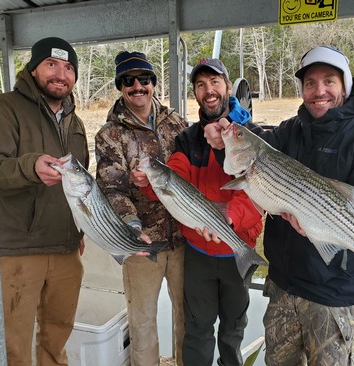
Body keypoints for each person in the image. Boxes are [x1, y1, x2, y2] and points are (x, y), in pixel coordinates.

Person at [204, 46, 354, 366]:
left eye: (329, 81)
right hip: (284, 287)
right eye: (310, 83)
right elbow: (259, 142)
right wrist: (226, 131)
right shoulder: (292, 129)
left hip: (336, 294)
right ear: (302, 89)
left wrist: (325, 217)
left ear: (344, 85)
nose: (319, 91)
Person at [133, 58, 263, 366]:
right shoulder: (188, 139)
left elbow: (260, 197)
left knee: (233, 329)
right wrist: (149, 182)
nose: (209, 91)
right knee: (198, 330)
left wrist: (231, 217)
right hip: (198, 257)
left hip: (238, 250)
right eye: (201, 85)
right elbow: (175, 181)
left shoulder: (252, 136)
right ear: (195, 93)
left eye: (215, 82)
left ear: (228, 87)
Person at [0, 37, 89, 365]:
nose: (61, 74)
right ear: (33, 70)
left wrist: (81, 230)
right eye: (51, 64)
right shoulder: (1, 108)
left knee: (57, 337)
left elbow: (82, 183)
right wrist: (29, 167)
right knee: (13, 344)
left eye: (69, 67)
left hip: (66, 249)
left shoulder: (76, 122)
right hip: (17, 250)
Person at [95, 51, 187, 366]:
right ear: (121, 86)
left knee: (189, 319)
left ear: (153, 83)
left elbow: (192, 174)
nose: (138, 86)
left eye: (144, 79)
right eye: (129, 80)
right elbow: (111, 188)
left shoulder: (176, 122)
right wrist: (131, 227)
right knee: (143, 322)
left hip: (184, 241)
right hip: (141, 244)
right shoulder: (110, 134)